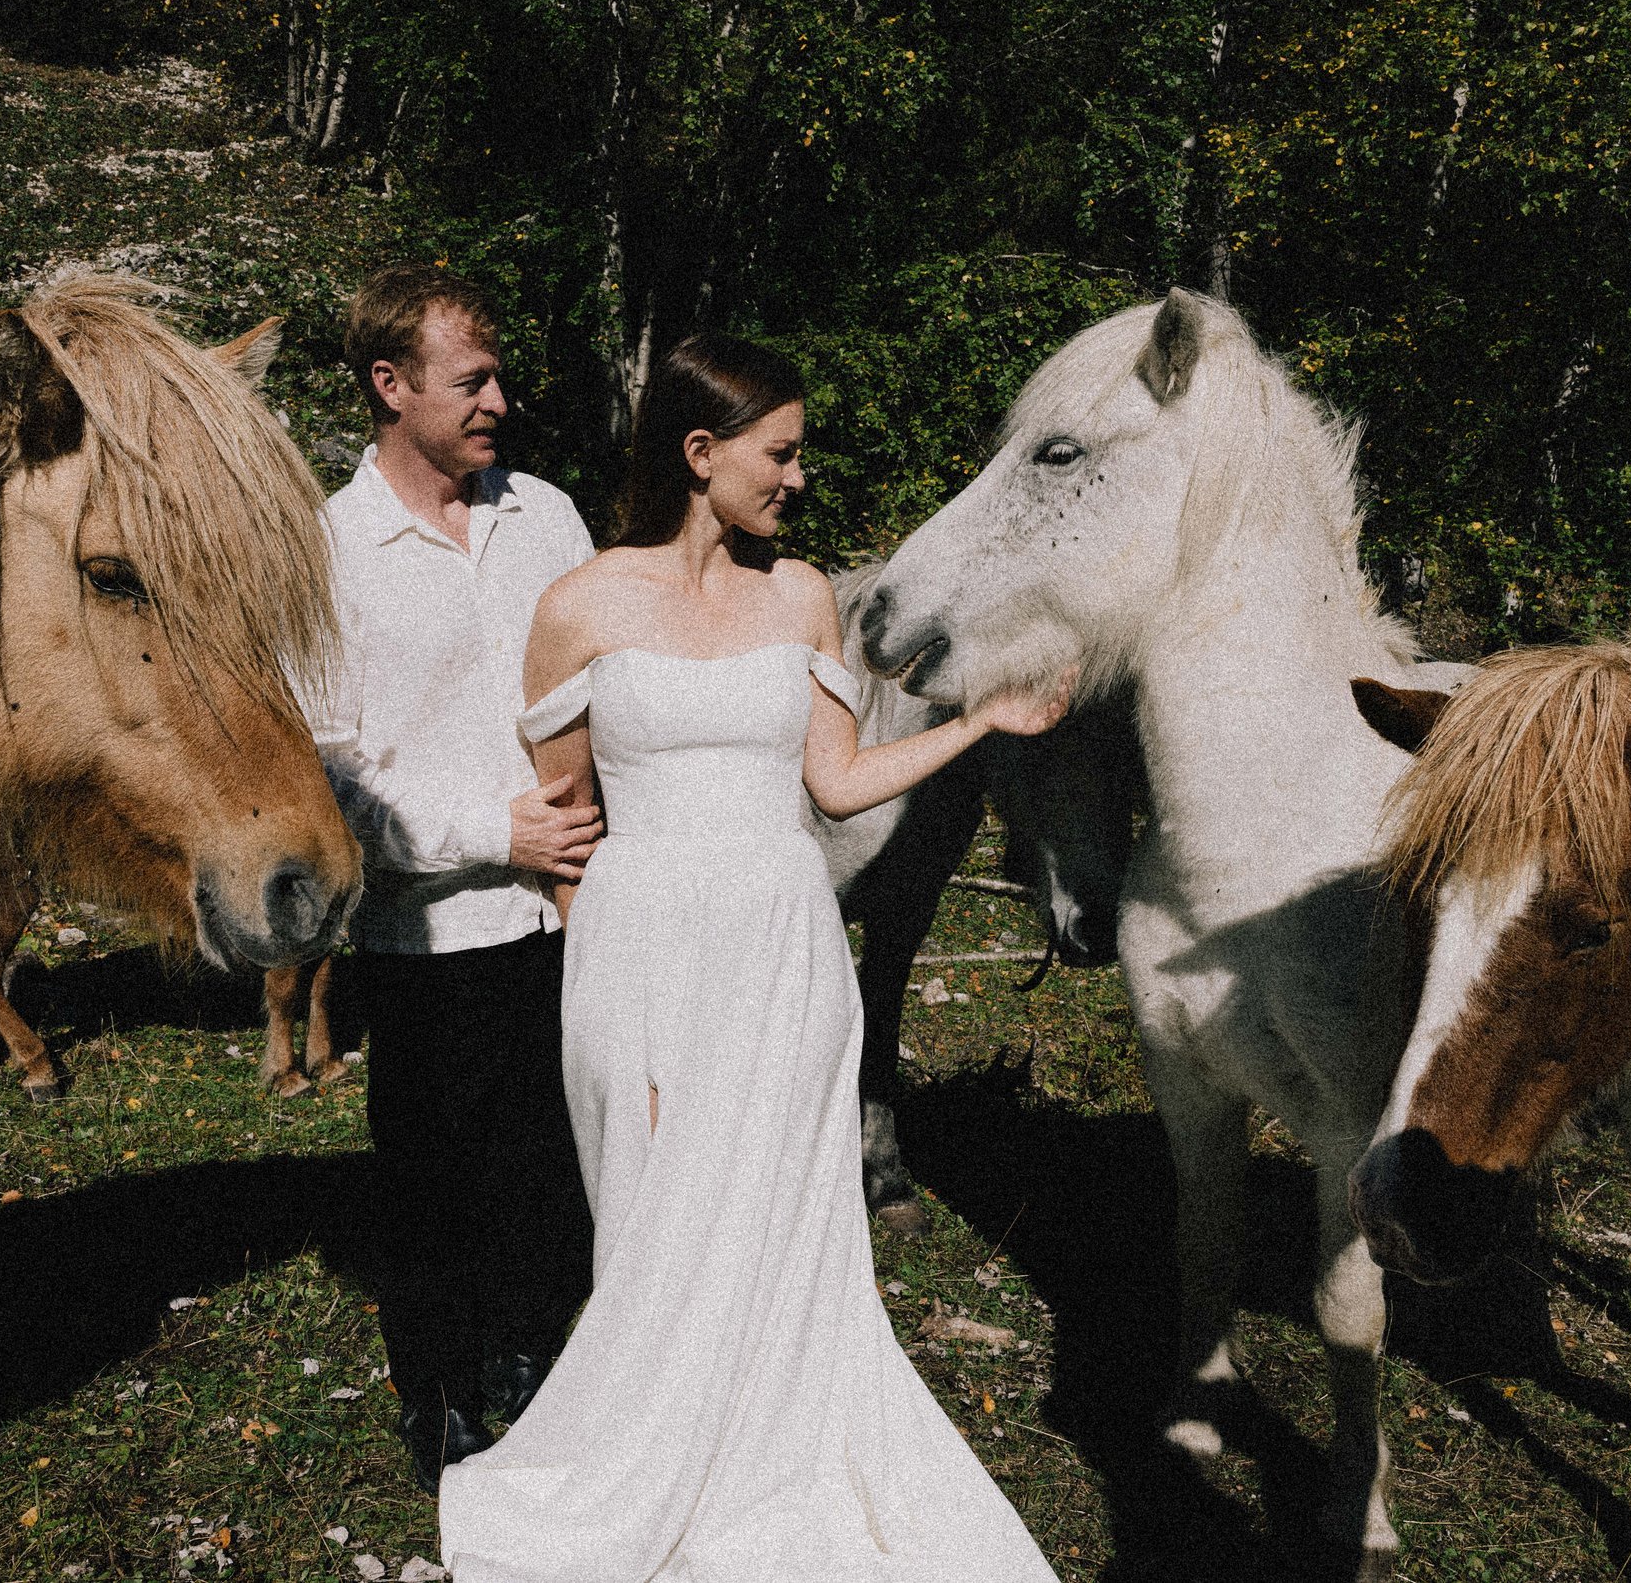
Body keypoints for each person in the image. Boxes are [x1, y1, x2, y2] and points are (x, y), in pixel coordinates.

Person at [437, 333, 1069, 1580]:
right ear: (699, 451)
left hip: (786, 955)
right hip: (642, 953)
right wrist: (600, 994)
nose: (796, 477)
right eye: (778, 453)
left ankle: (776, 1456)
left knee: (777, 1222)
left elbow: (833, 785)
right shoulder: (581, 604)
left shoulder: (804, 596)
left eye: (798, 454)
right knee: (664, 1222)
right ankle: (642, 1470)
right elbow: (565, 825)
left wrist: (982, 722)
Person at [311, 263, 600, 1494]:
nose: (499, 400)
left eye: (498, 375)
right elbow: (331, 776)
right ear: (391, 385)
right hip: (430, 934)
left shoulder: (550, 517)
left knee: (559, 1160)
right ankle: (439, 1393)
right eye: (470, 378)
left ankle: (546, 1367)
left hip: (577, 909)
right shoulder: (328, 549)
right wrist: (501, 833)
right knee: (432, 1175)